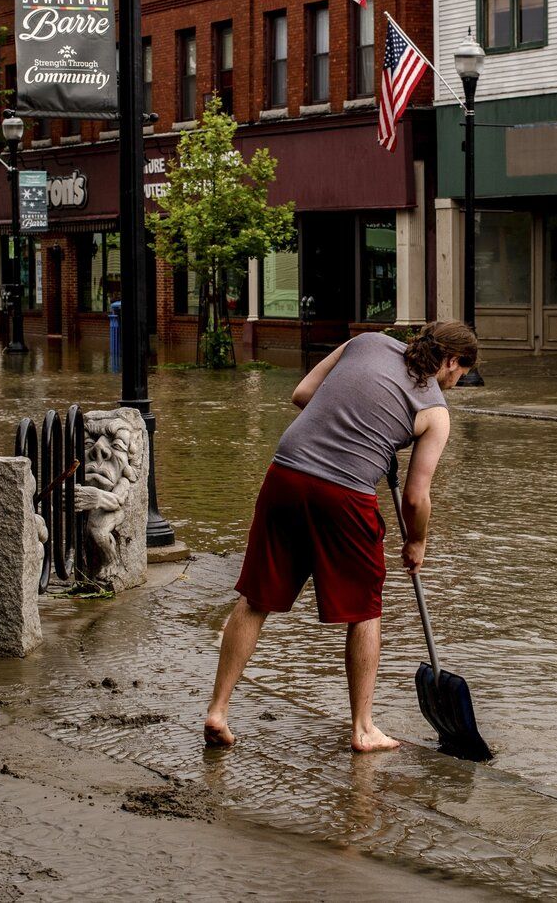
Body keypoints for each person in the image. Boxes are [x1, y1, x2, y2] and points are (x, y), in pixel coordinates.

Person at [204, 322, 479, 753]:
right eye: (460, 373)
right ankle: (363, 728)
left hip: (285, 473)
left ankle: (218, 710)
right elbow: (416, 497)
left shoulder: (365, 342)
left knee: (256, 598)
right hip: (344, 493)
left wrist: (357, 421)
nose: (455, 383)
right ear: (449, 361)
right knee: (365, 609)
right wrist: (417, 542)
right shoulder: (435, 412)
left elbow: (301, 396)